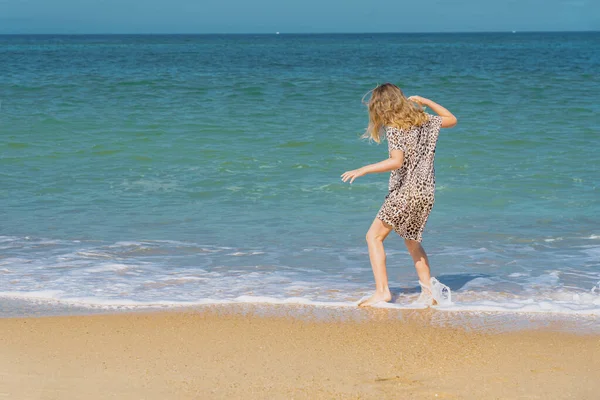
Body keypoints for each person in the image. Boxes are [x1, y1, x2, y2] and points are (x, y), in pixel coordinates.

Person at [341, 83, 457, 307]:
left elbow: (396, 162)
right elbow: (452, 119)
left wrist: (363, 169)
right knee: (412, 241)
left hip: (405, 192)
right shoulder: (425, 120)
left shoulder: (395, 127)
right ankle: (428, 293)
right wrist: (426, 101)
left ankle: (382, 292)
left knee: (373, 237)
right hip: (426, 191)